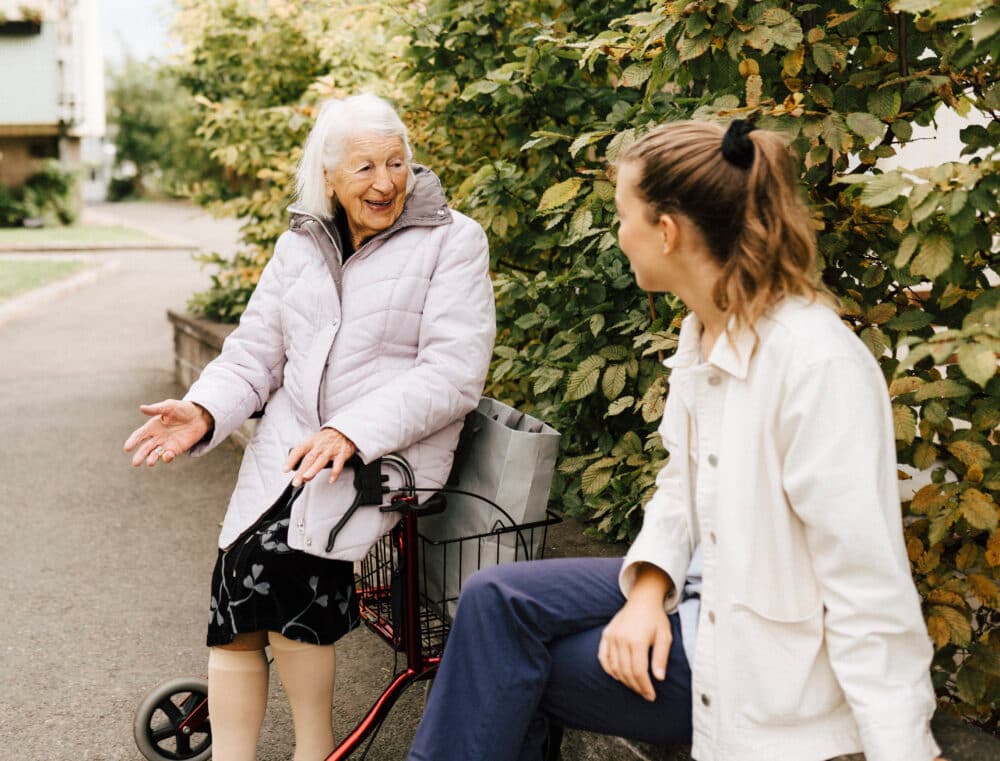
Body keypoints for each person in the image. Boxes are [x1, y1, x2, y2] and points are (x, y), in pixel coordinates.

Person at [406, 120, 946, 761]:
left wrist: (905, 748)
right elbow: (680, 486)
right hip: (700, 585)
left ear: (667, 231)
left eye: (622, 216)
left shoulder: (815, 363)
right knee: (494, 600)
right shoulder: (704, 332)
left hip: (757, 657)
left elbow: (867, 584)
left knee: (508, 669)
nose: (618, 234)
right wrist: (646, 589)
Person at [124, 93, 496, 761]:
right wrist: (204, 410)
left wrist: (352, 430)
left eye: (396, 163)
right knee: (235, 571)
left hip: (387, 458)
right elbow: (255, 353)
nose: (384, 182)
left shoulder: (454, 240)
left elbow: (455, 372)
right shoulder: (301, 244)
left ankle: (314, 750)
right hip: (296, 451)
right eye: (363, 168)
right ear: (328, 175)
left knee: (281, 567)